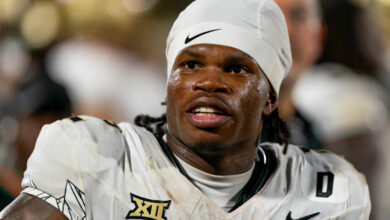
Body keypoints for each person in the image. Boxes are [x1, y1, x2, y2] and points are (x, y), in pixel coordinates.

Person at [0, 0, 370, 219]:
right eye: (190, 65)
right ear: (169, 82)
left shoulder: (326, 189)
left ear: (270, 98)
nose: (208, 82)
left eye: (236, 68)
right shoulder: (98, 157)